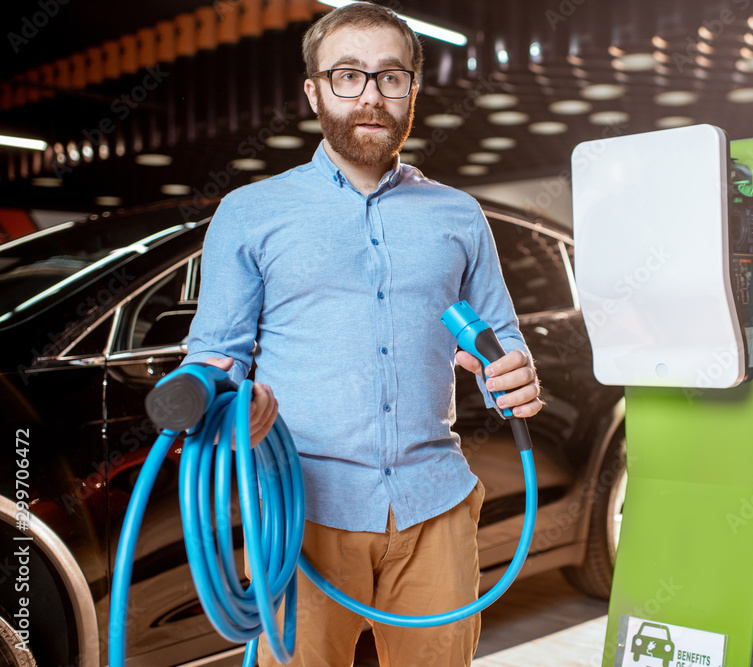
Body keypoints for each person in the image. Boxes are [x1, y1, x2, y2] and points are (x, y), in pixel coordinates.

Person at [181, 2, 543, 666]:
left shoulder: (459, 215)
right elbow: (216, 360)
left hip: (435, 504)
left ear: (413, 89)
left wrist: (515, 374)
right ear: (313, 90)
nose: (370, 96)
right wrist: (231, 408)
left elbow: (502, 339)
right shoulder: (250, 213)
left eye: (390, 76)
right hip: (304, 515)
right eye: (347, 75)